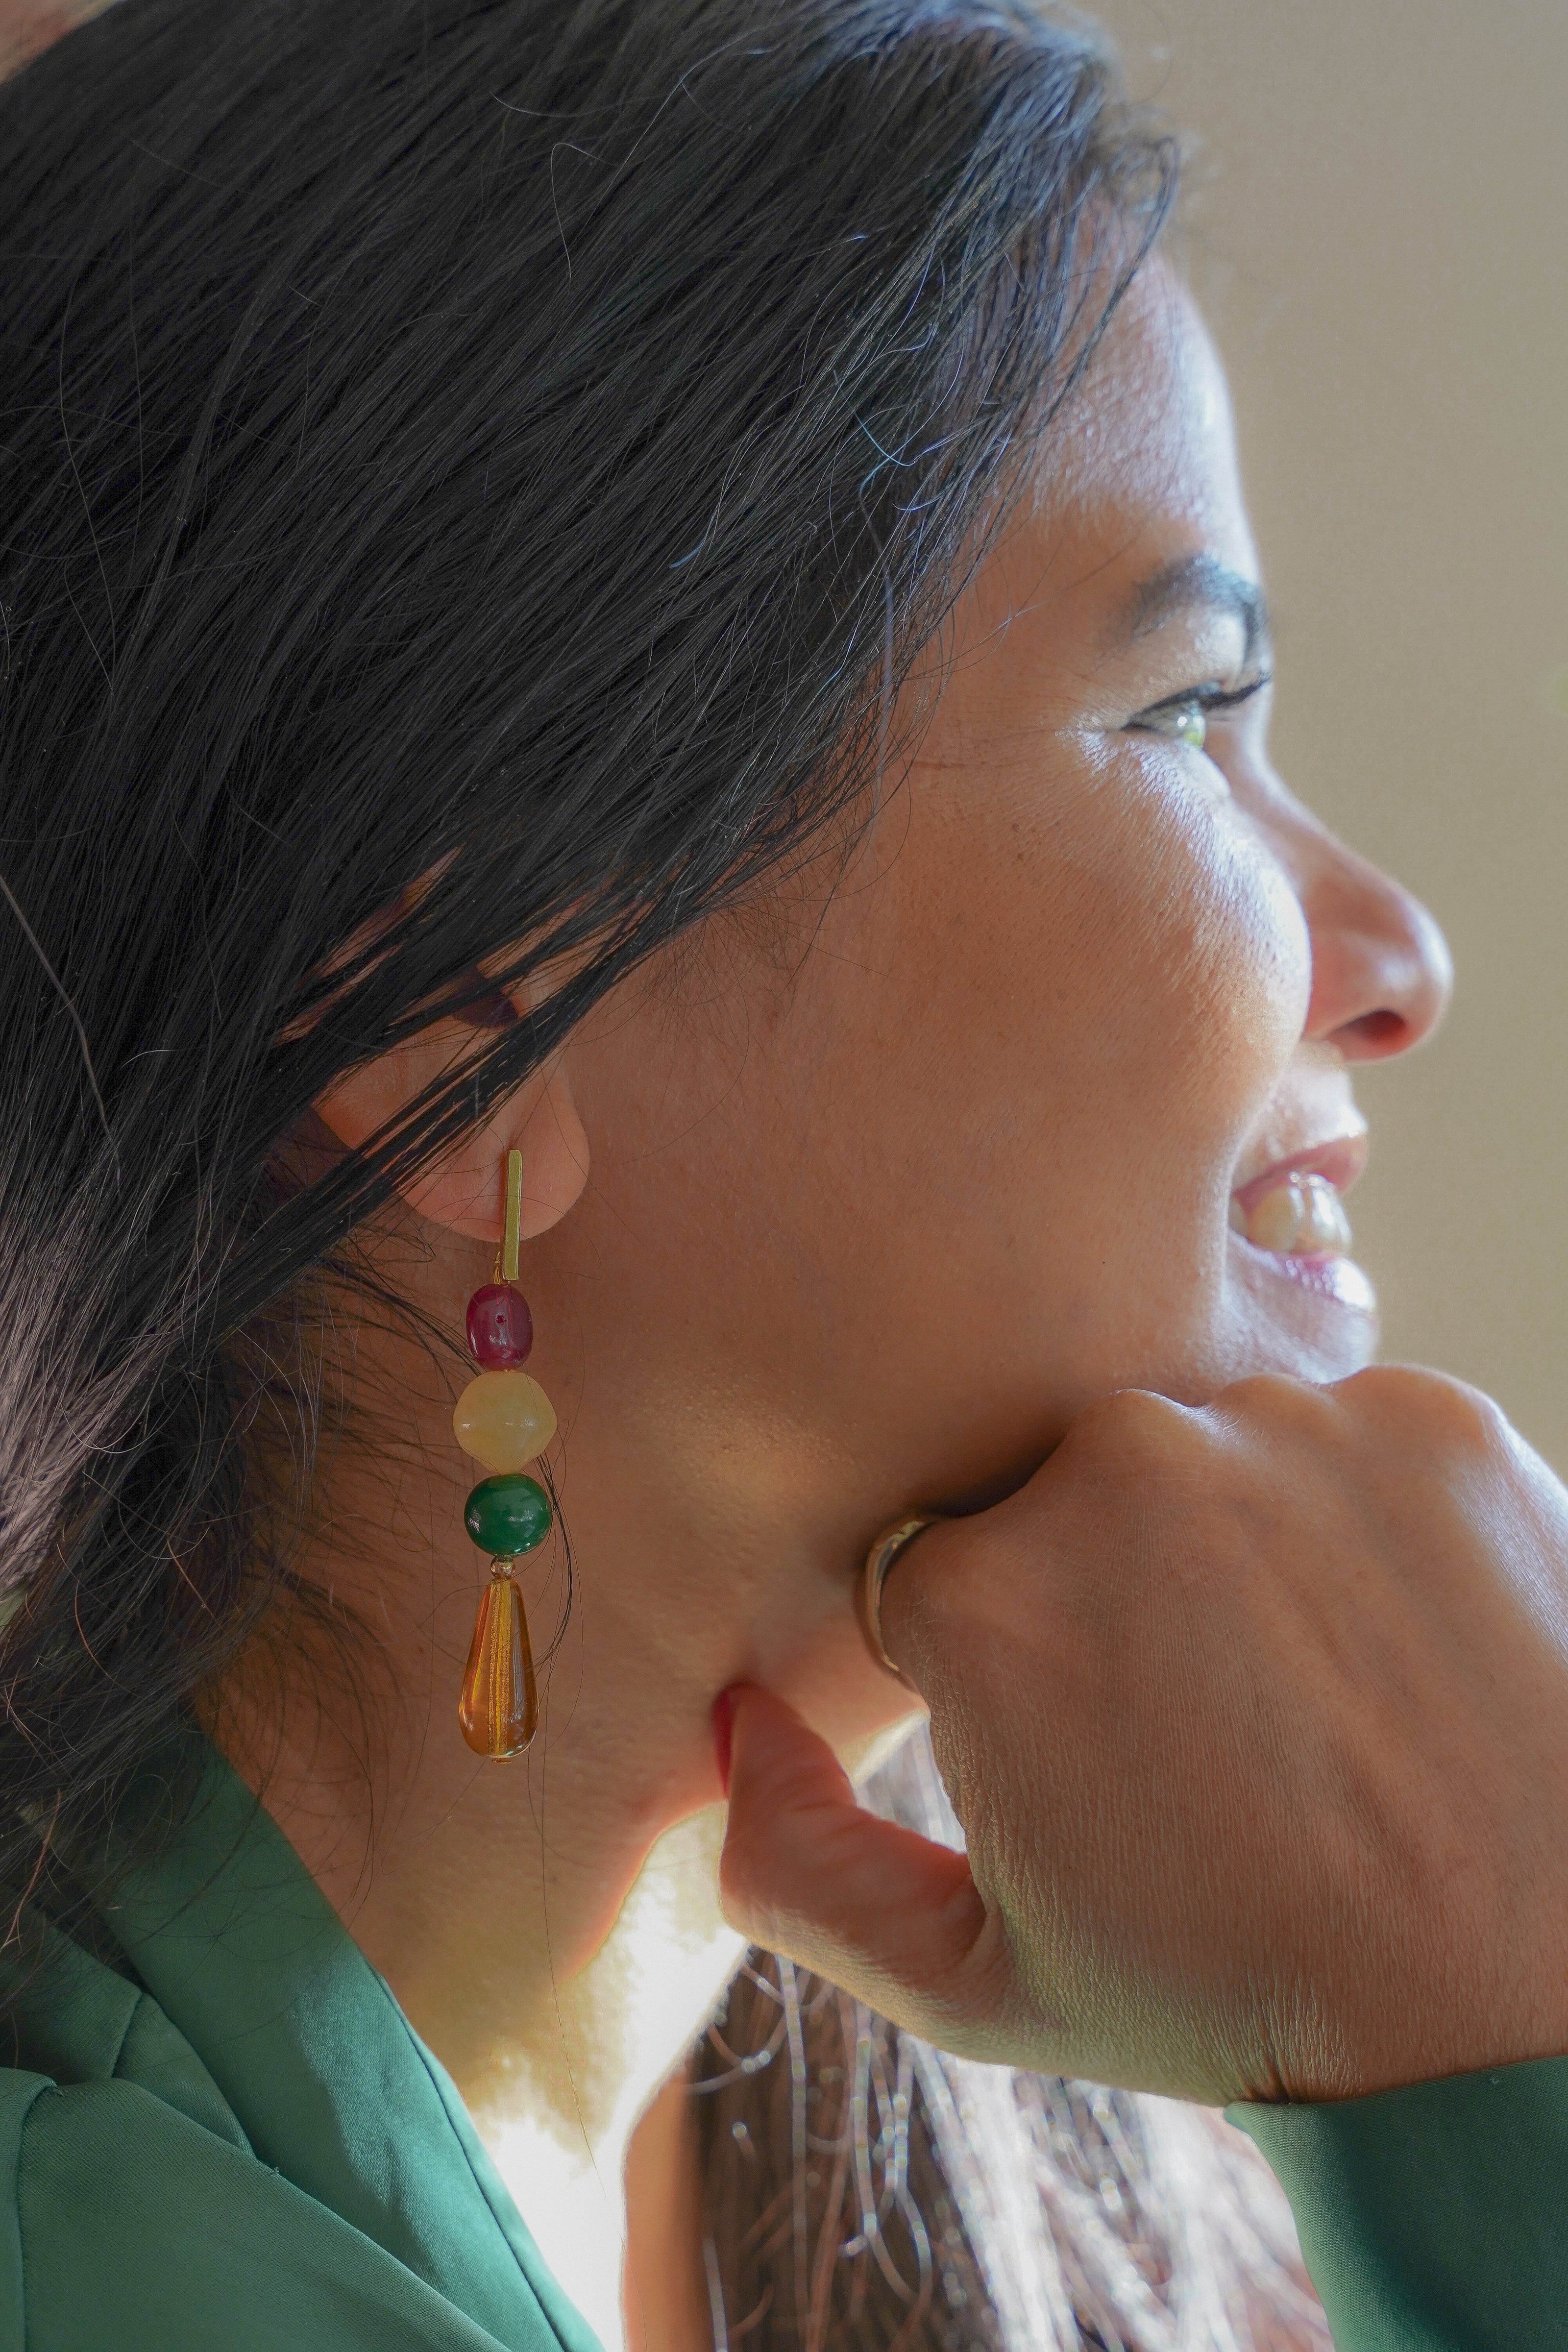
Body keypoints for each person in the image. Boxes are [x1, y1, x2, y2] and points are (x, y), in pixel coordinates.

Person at [1, 3, 1566, 2349]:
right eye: (1181, 716)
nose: (1393, 958)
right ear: (471, 1016)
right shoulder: (115, 2282)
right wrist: (1504, 2059)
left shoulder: (1053, 2154)